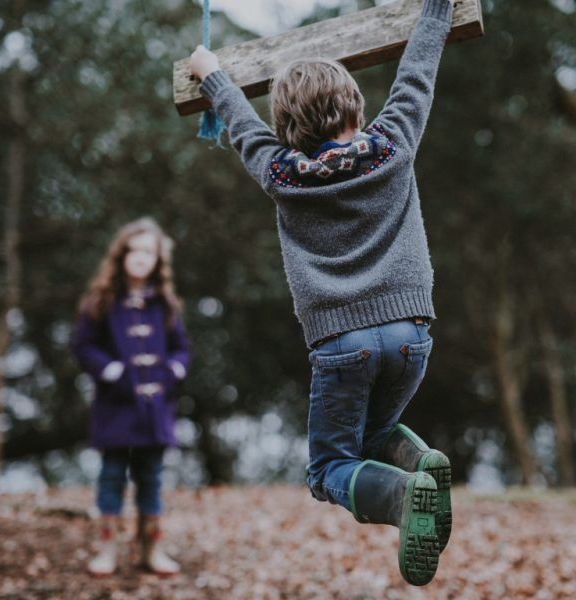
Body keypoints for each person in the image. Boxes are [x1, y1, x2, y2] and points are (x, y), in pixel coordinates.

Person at [190, 0, 454, 585]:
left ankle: (409, 495)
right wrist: (436, 8)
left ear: (288, 127)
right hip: (412, 334)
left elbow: (241, 125)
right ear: (357, 106)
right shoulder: (395, 143)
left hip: (341, 343)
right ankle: (420, 464)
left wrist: (212, 74)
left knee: (329, 467)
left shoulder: (282, 175)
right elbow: (418, 71)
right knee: (375, 436)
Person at [72, 217, 190, 576]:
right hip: (116, 408)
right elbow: (82, 345)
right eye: (134, 251)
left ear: (158, 260)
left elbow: (181, 349)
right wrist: (111, 371)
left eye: (149, 252)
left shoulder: (165, 304)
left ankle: (151, 551)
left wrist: (173, 370)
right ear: (121, 255)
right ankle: (106, 550)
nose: (141, 258)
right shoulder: (102, 300)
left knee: (151, 479)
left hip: (155, 411)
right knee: (111, 477)